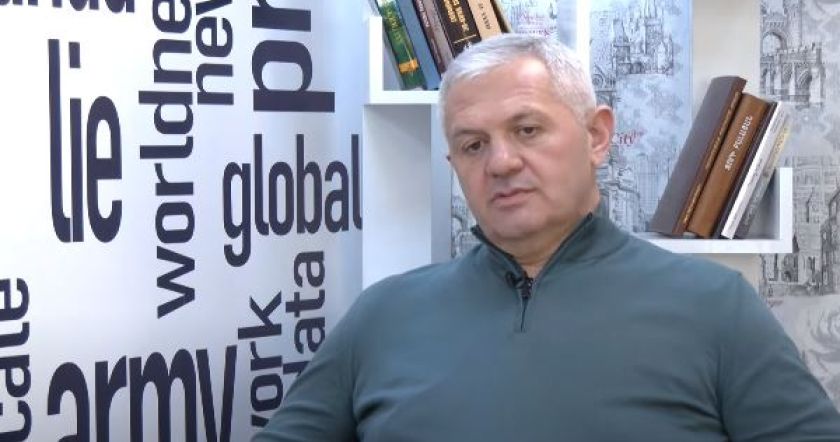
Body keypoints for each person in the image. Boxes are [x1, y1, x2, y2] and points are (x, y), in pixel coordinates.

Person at [253, 34, 840, 441]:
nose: (501, 162)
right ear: (454, 165)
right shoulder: (381, 315)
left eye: (527, 129)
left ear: (597, 136)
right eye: (473, 144)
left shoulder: (717, 308)